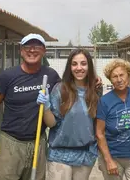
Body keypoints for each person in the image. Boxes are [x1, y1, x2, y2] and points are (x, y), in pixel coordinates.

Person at [0, 33, 60, 180]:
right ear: (21, 50)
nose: (32, 50)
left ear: (44, 50)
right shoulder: (7, 76)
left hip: (38, 143)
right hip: (10, 143)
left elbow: (69, 90)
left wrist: (93, 81)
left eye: (37, 46)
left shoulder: (51, 75)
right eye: (27, 46)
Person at [36, 48, 102, 180]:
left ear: (89, 66)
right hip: (59, 154)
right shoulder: (60, 89)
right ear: (69, 67)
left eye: (83, 63)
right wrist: (46, 107)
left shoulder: (95, 90)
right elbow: (51, 123)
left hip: (85, 154)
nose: (79, 68)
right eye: (74, 64)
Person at [96, 59, 130, 180]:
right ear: (110, 80)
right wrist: (108, 160)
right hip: (113, 157)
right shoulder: (104, 101)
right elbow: (99, 133)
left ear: (128, 75)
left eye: (122, 75)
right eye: (114, 76)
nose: (119, 79)